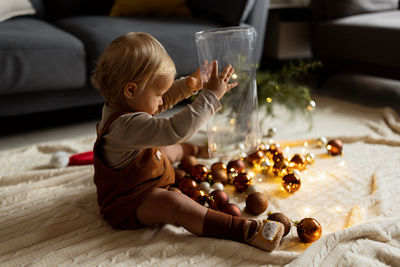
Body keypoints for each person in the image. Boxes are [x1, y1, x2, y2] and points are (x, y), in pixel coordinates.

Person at [91, 32, 284, 252]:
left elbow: (158, 105)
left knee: (165, 150)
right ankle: (243, 229)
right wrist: (210, 97)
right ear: (131, 90)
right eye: (159, 93)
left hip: (145, 172)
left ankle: (193, 151)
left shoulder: (123, 105)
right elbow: (175, 129)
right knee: (176, 205)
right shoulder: (125, 127)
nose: (162, 100)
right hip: (130, 201)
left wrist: (190, 84)